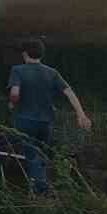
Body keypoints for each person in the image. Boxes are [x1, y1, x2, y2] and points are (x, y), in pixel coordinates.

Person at [7, 37, 92, 194]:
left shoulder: (17, 70)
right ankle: (41, 186)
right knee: (41, 153)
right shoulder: (52, 72)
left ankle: (41, 191)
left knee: (32, 155)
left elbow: (15, 93)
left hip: (25, 120)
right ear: (41, 55)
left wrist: (12, 103)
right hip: (46, 121)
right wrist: (81, 114)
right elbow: (69, 92)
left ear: (25, 54)